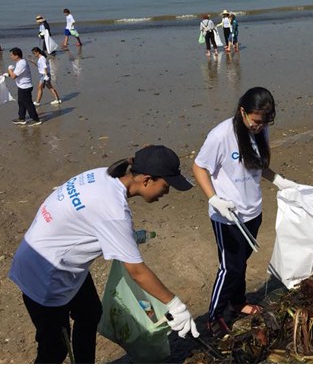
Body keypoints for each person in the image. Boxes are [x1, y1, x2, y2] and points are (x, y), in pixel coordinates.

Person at [9, 145, 199, 363]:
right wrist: (175, 305)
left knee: (89, 314)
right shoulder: (114, 211)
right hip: (45, 275)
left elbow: (88, 217)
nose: (166, 193)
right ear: (147, 180)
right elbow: (137, 272)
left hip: (52, 257)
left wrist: (123, 237)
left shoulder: (104, 175)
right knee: (54, 349)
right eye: (166, 186)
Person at [192, 87, 298, 337]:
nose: (259, 127)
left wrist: (279, 180)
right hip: (227, 216)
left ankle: (238, 302)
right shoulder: (221, 135)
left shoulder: (261, 131)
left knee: (241, 263)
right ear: (242, 111)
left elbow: (258, 166)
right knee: (229, 266)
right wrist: (214, 198)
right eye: (256, 121)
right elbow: (198, 167)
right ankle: (214, 316)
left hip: (253, 211)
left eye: (264, 122)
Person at [5, 47, 41, 126]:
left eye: (11, 55)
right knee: (21, 102)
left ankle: (36, 119)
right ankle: (21, 118)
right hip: (22, 86)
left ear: (16, 56)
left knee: (28, 104)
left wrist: (9, 69)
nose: (10, 57)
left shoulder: (22, 63)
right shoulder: (20, 62)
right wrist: (7, 74)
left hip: (25, 87)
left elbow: (14, 76)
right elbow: (16, 74)